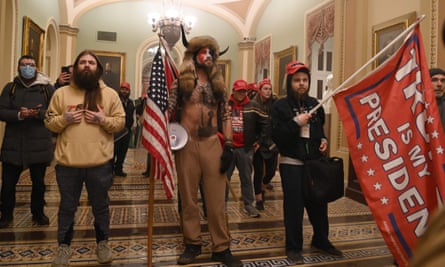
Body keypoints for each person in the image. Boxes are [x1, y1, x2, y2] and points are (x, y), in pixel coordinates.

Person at [44, 50, 125, 267]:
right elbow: (49, 122)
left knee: (101, 206)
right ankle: (63, 246)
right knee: (67, 206)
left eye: (91, 62)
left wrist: (103, 119)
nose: (87, 65)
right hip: (68, 165)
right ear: (75, 67)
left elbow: (120, 123)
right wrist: (64, 119)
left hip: (99, 164)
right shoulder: (61, 94)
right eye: (82, 62)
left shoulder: (110, 95)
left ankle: (103, 243)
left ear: (97, 68)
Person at [168, 34, 242, 266]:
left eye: (211, 52)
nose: (208, 55)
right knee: (188, 199)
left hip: (212, 145)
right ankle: (192, 244)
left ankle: (221, 247)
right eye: (204, 51)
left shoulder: (219, 84)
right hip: (186, 144)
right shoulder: (180, 82)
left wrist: (228, 145)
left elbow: (226, 114)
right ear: (194, 55)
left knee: (216, 200)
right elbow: (167, 109)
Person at [270, 60, 342, 264]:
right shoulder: (279, 106)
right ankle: (293, 247)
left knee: (319, 203)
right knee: (294, 207)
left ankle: (321, 240)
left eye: (304, 80)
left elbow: (319, 129)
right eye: (297, 80)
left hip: (314, 165)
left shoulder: (315, 104)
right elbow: (276, 135)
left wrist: (324, 140)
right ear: (289, 82)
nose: (301, 84)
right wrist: (295, 123)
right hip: (291, 164)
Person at [0, 54, 55, 228]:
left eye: (31, 64)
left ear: (37, 67)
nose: (28, 68)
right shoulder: (10, 88)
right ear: (18, 67)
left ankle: (38, 213)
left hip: (39, 144)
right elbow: (1, 111)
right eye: (24, 65)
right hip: (13, 145)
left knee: (38, 183)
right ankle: (6, 215)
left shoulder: (47, 89)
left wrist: (37, 113)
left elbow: (54, 112)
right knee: (8, 184)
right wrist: (19, 115)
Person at [226, 79, 271, 218]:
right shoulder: (225, 105)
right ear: (233, 91)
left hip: (245, 149)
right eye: (239, 91)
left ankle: (248, 205)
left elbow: (266, 123)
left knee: (246, 177)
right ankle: (221, 205)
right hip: (228, 148)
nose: (241, 93)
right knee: (224, 178)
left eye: (244, 91)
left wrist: (259, 141)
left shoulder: (253, 106)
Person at [252, 78, 278, 210]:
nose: (268, 92)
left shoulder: (275, 103)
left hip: (272, 142)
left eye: (269, 89)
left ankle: (264, 184)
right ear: (260, 90)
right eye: (265, 89)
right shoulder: (254, 103)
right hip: (258, 142)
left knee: (271, 171)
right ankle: (259, 199)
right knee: (258, 171)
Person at [113, 81, 135, 177]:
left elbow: (133, 115)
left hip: (127, 131)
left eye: (126, 89)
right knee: (114, 152)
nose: (124, 91)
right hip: (117, 131)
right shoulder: (115, 101)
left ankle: (119, 169)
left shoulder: (131, 102)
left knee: (123, 152)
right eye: (123, 89)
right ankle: (110, 170)